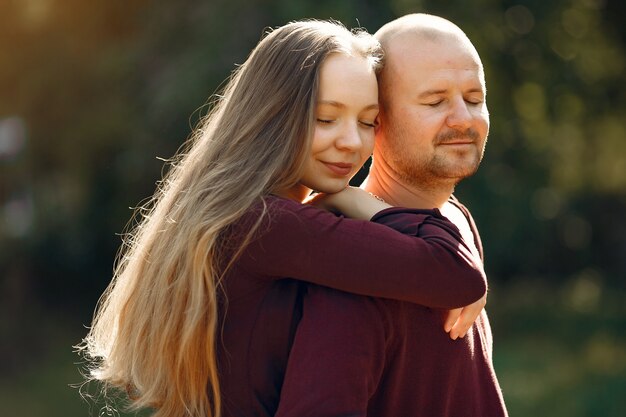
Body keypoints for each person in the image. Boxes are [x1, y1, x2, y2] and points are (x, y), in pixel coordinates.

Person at [78, 19, 488, 417]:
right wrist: (357, 202)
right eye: (326, 119)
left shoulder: (238, 212)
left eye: (367, 122)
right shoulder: (265, 225)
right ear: (274, 116)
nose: (351, 142)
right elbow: (455, 274)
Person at [275, 14, 508, 417]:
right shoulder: (354, 269)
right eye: (435, 101)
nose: (463, 118)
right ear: (375, 120)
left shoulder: (455, 220)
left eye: (474, 98)